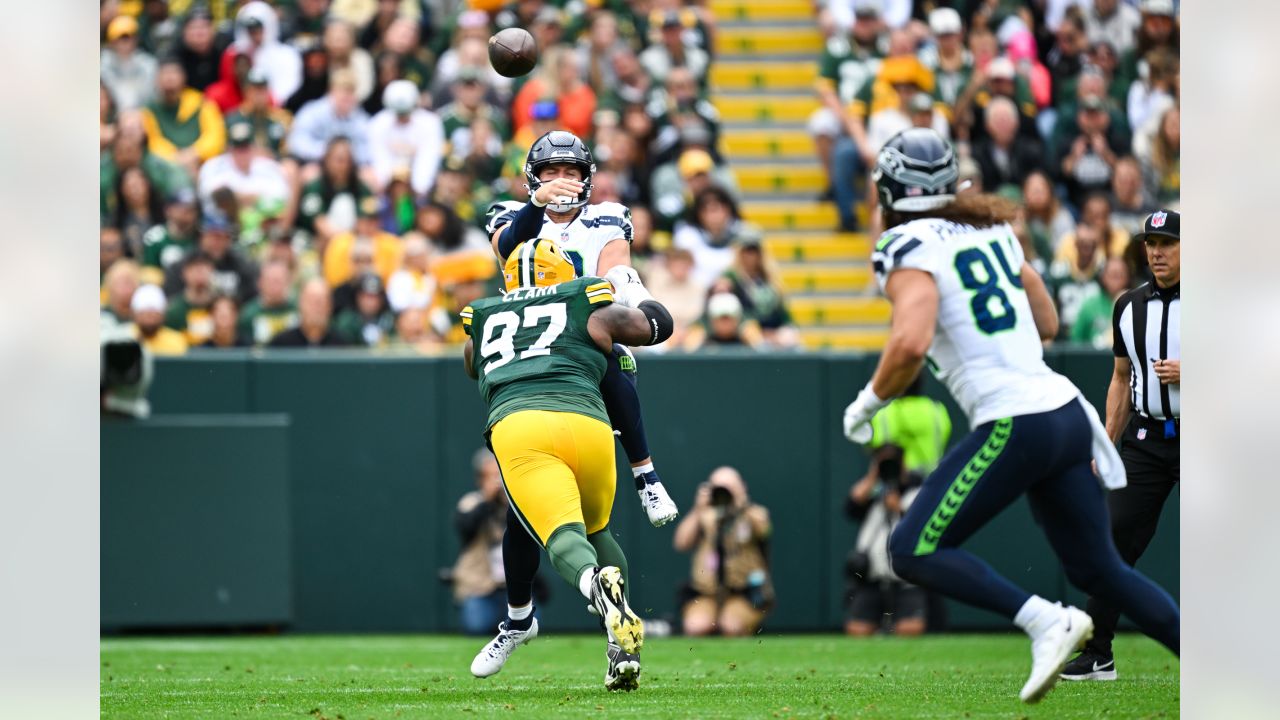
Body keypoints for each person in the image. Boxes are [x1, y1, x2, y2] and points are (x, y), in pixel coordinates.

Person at [842, 128, 1179, 704]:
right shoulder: (988, 229)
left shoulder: (904, 245)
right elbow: (1046, 319)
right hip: (1065, 413)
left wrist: (868, 402)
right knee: (1103, 571)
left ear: (892, 188)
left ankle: (1044, 620)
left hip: (1015, 422)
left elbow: (909, 342)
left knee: (912, 547)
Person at [462, 236, 676, 691]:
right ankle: (622, 648)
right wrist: (635, 291)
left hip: (523, 429)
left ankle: (592, 589)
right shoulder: (588, 303)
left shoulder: (482, 317)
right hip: (591, 427)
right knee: (596, 531)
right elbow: (656, 326)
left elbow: (471, 363)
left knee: (563, 536)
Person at [1062, 210, 1181, 681]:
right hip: (1148, 438)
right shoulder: (1128, 306)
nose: (1157, 252)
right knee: (1112, 537)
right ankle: (1098, 652)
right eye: (1151, 244)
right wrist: (1107, 444)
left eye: (1168, 243)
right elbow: (1120, 378)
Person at [844, 374, 950, 637]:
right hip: (874, 566)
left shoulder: (885, 414)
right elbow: (851, 506)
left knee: (911, 623)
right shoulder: (937, 412)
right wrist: (875, 477)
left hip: (913, 498)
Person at [672, 467, 773, 636]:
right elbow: (681, 543)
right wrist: (698, 509)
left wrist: (741, 504)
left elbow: (764, 529)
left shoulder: (753, 514)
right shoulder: (705, 516)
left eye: (729, 487)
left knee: (732, 626)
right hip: (707, 591)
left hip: (743, 592)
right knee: (696, 626)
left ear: (742, 487)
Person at [451, 449, 509, 636]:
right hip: (479, 587)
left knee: (530, 626)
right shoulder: (471, 502)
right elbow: (466, 528)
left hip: (511, 587)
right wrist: (488, 500)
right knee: (478, 626)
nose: (497, 482)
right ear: (480, 479)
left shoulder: (511, 505)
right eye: (491, 477)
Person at [268, 278, 349, 347]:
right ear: (300, 304)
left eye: (321, 302)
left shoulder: (342, 346)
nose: (316, 308)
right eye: (311, 301)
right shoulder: (282, 345)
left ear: (330, 306)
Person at [1071, 257, 1131, 349]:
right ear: (1103, 277)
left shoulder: (1135, 303)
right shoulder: (1089, 305)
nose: (1116, 279)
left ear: (1127, 278)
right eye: (1112, 275)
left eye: (1120, 275)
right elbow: (1075, 340)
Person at [129, 284, 189, 356]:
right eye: (144, 314)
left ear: (163, 315)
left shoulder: (176, 341)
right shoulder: (124, 338)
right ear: (135, 314)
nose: (150, 320)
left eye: (154, 314)